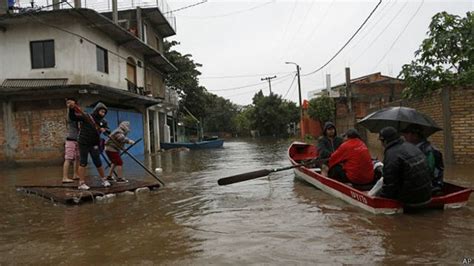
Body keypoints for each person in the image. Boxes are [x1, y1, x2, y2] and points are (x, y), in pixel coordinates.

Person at [377, 126, 432, 207]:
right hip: (427, 195)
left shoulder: (391, 154)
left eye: (381, 141)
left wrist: (381, 196)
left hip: (410, 200)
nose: (381, 144)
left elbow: (390, 183)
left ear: (385, 141)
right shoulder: (411, 146)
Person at [67, 101, 111, 190]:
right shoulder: (87, 116)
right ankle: (81, 183)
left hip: (94, 143)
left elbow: (108, 131)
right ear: (97, 110)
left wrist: (104, 130)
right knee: (83, 162)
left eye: (104, 112)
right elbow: (73, 117)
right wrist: (71, 109)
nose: (103, 114)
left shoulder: (103, 121)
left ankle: (104, 179)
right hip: (83, 142)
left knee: (98, 161)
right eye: (101, 111)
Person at [401, 124, 444, 193]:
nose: (404, 136)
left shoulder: (429, 151)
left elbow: (428, 172)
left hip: (431, 187)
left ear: (415, 135)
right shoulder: (413, 149)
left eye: (406, 133)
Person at [62, 98, 80, 183]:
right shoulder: (69, 113)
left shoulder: (77, 112)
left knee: (77, 158)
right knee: (68, 158)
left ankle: (75, 174)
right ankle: (65, 177)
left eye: (71, 102)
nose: (69, 104)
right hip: (70, 139)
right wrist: (71, 106)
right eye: (67, 103)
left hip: (77, 139)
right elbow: (71, 117)